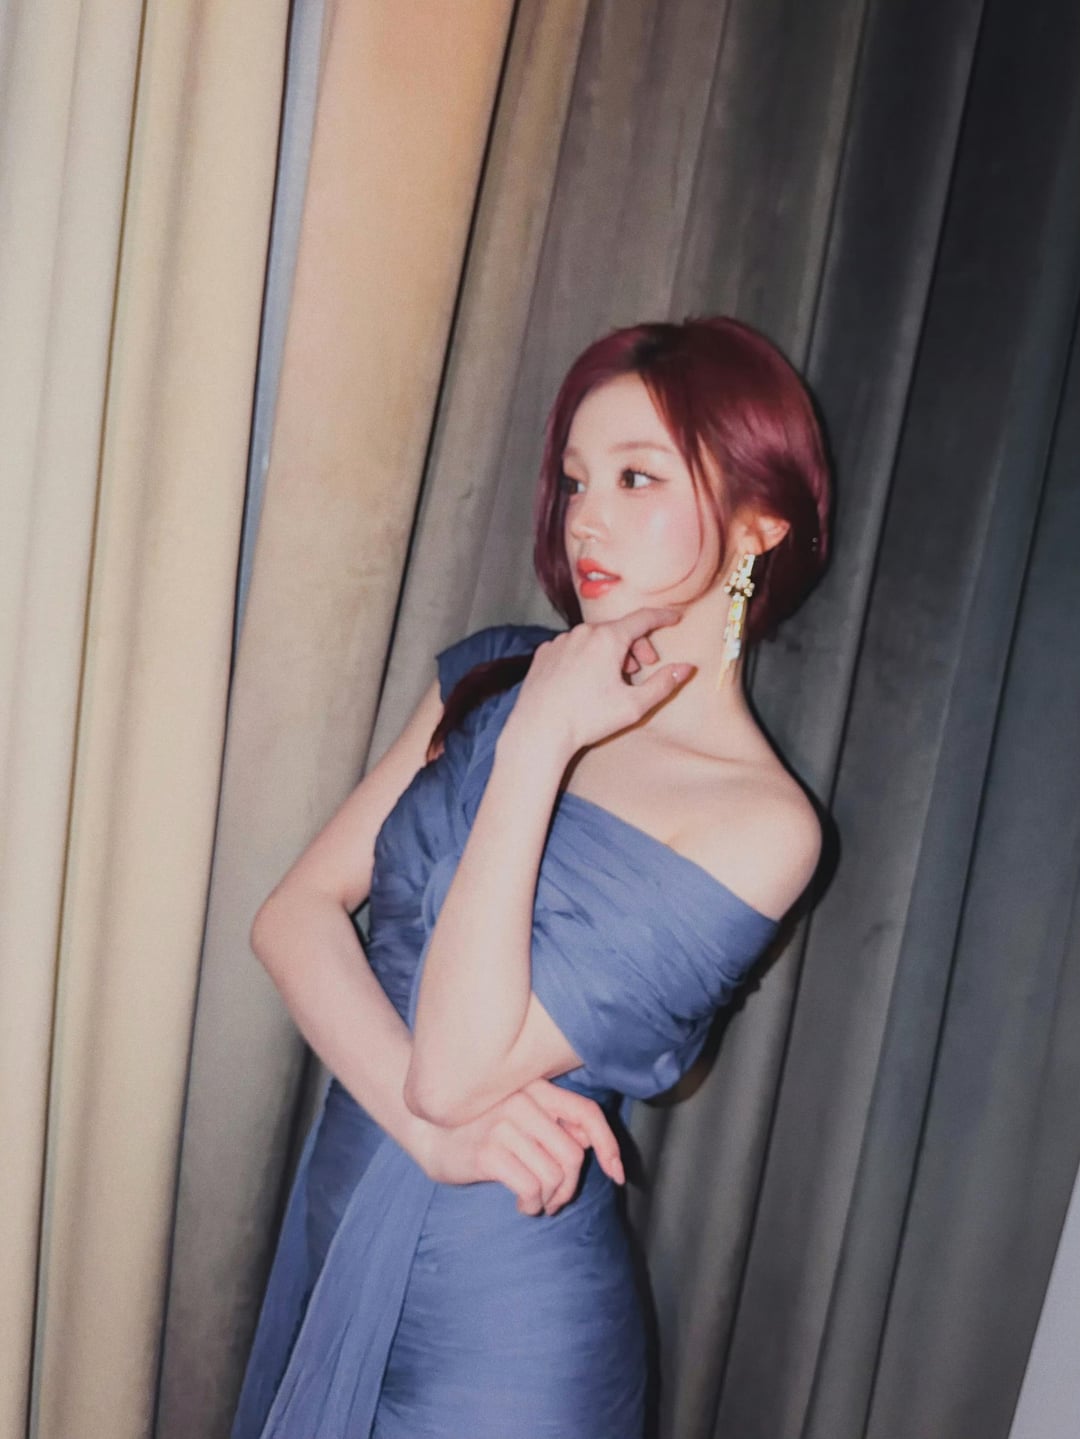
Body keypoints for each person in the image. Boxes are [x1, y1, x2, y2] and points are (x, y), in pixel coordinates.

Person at [231, 316, 831, 1439]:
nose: (585, 517)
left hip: (505, 1332)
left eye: (637, 477)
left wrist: (541, 740)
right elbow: (291, 916)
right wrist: (428, 1135)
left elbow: (457, 1068)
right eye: (574, 481)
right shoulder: (498, 670)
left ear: (759, 525)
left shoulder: (762, 822)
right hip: (344, 1213)